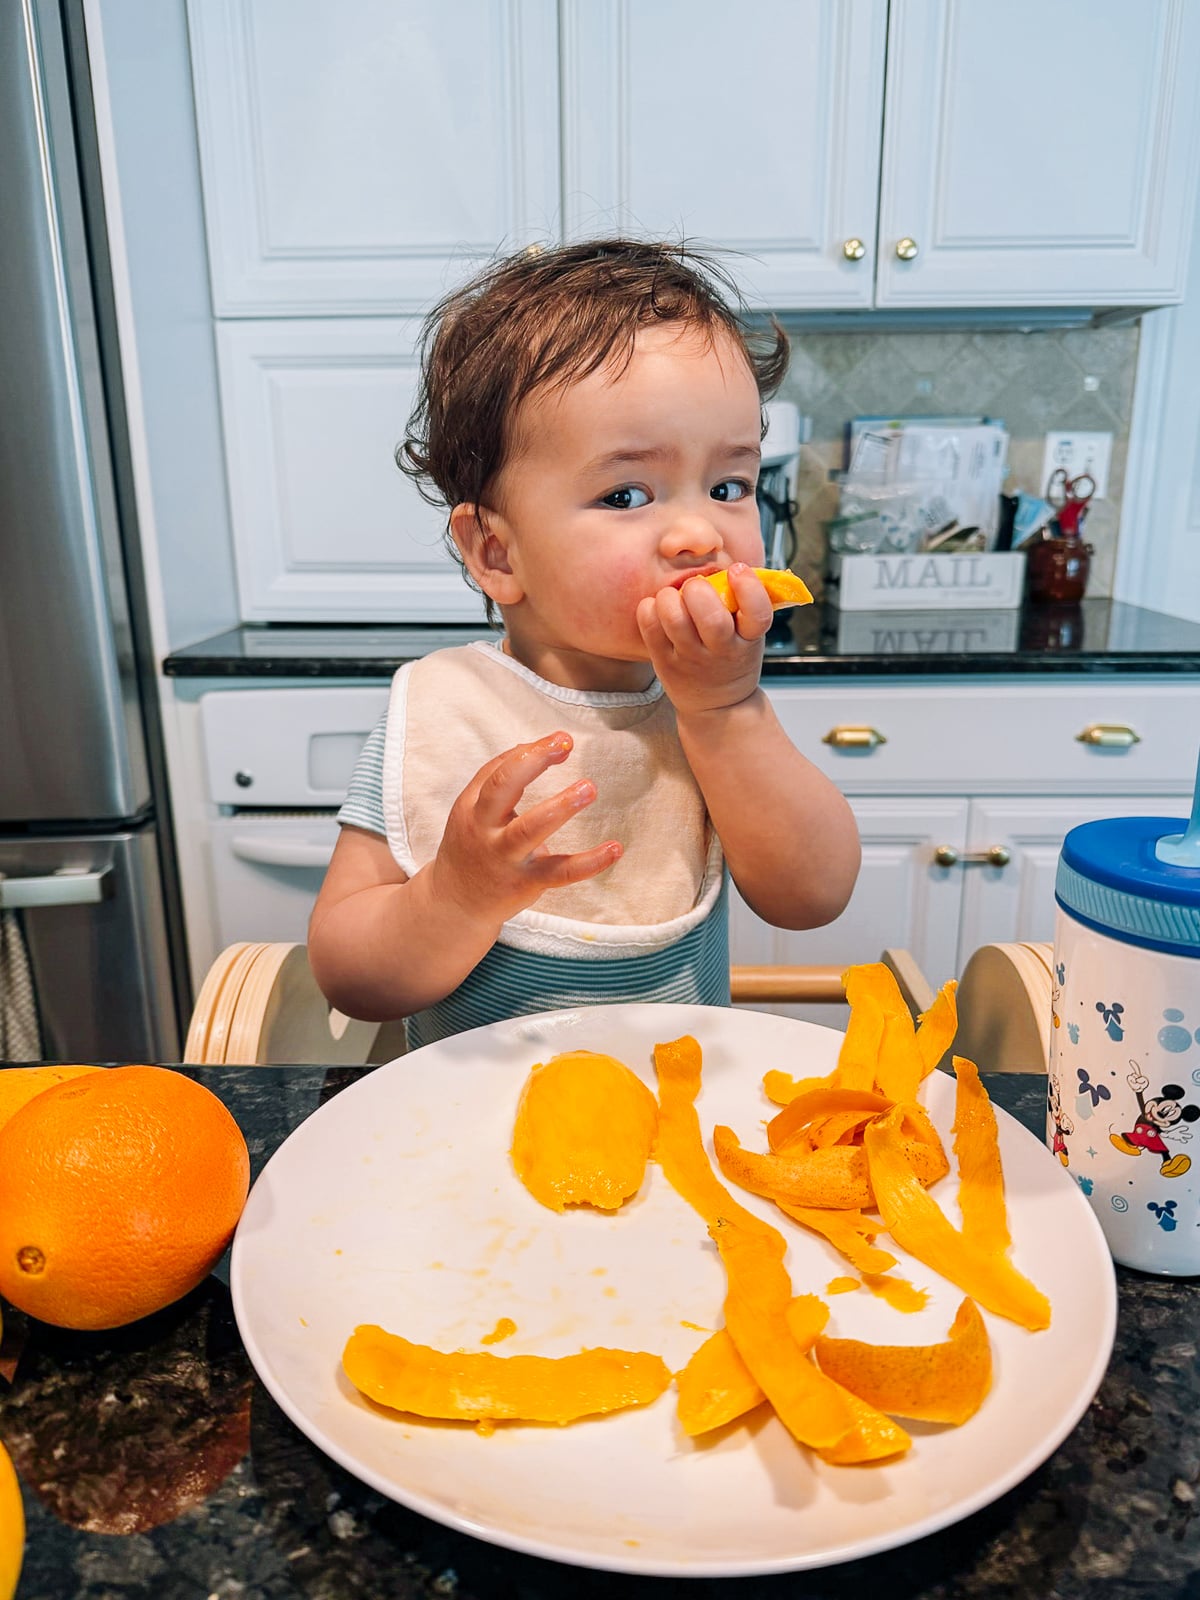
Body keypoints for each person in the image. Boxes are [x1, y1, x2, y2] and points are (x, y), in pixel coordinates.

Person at [308, 239, 860, 1047]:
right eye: (627, 492)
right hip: (471, 1132)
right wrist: (453, 897)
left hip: (678, 1119)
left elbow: (812, 898)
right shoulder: (443, 709)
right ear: (497, 552)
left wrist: (727, 711)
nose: (699, 532)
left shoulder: (708, 710)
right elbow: (352, 979)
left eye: (729, 485)